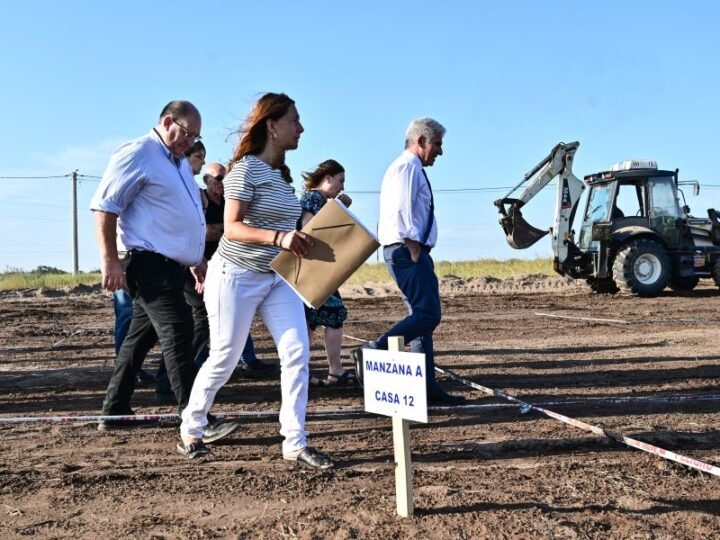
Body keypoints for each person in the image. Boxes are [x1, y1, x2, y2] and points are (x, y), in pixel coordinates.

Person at [179, 92, 334, 469]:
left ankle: (295, 442)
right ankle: (191, 427)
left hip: (276, 278)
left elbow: (292, 226)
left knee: (297, 353)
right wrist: (279, 238)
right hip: (235, 275)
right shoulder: (244, 170)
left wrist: (335, 228)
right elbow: (232, 228)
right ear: (272, 125)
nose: (301, 128)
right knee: (225, 357)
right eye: (294, 120)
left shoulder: (282, 180)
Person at [90, 100, 239, 443]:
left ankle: (114, 411)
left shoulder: (178, 164)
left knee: (138, 341)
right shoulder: (138, 153)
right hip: (146, 263)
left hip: (174, 266)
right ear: (168, 121)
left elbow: (180, 221)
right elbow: (104, 206)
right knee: (179, 330)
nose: (191, 143)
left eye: (197, 137)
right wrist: (109, 260)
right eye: (188, 134)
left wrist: (196, 261)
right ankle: (196, 417)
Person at [350, 118, 466, 405]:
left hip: (406, 249)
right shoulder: (406, 167)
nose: (440, 151)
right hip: (406, 249)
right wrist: (413, 245)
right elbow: (402, 208)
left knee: (421, 320)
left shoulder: (408, 167)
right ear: (421, 141)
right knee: (428, 314)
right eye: (437, 144)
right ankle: (373, 350)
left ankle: (427, 388)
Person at [299, 159, 356, 387]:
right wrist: (338, 210)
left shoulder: (317, 199)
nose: (342, 186)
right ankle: (335, 370)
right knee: (333, 317)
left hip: (312, 270)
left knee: (310, 322)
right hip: (316, 271)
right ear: (328, 178)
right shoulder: (315, 198)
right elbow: (310, 228)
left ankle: (304, 372)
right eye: (340, 180)